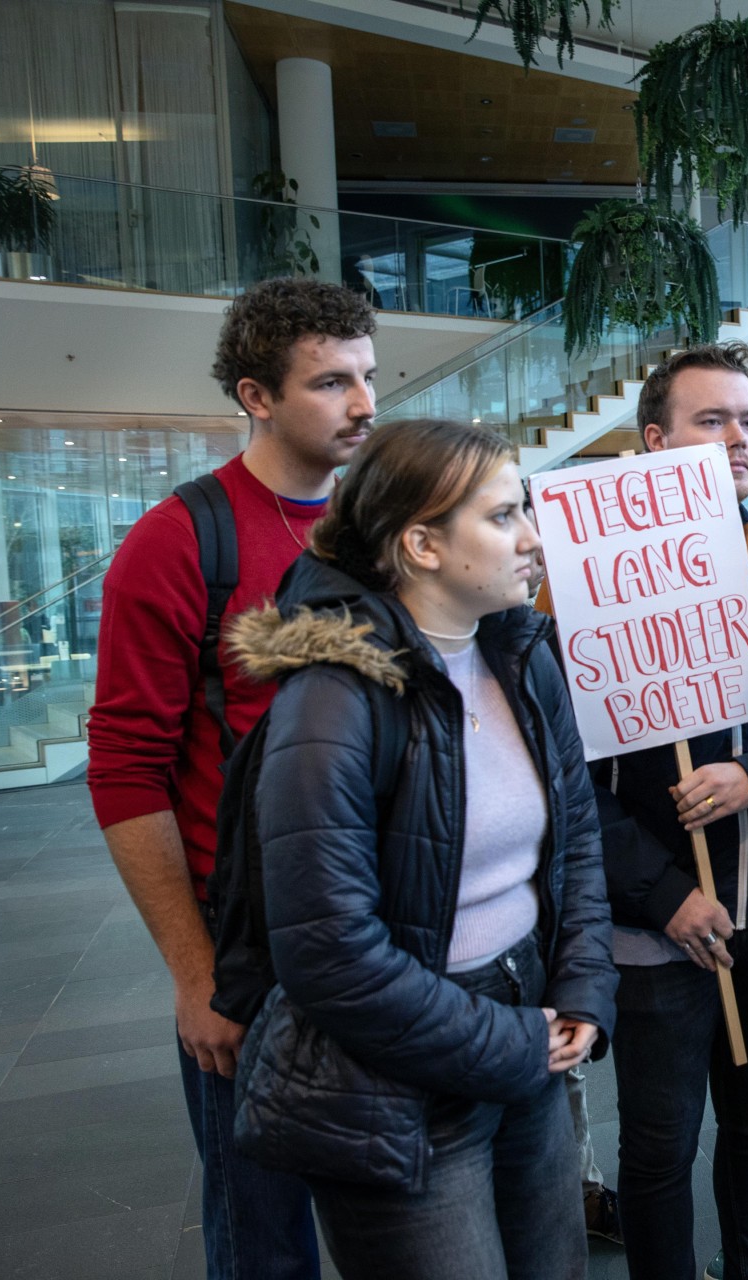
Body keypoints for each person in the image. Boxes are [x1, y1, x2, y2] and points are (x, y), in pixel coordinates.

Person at [229, 417, 617, 1279]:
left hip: (528, 1028)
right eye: (505, 515)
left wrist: (584, 989)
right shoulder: (333, 700)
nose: (533, 538)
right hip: (391, 1078)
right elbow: (327, 953)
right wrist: (513, 1039)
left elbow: (576, 839)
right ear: (422, 545)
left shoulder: (519, 655)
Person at [88, 276, 375, 1280]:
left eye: (368, 377)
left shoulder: (381, 537)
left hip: (383, 931)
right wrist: (195, 971)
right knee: (264, 1229)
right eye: (331, 382)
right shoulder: (178, 541)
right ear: (256, 394)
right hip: (250, 949)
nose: (364, 403)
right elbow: (126, 772)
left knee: (408, 1209)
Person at [561, 344, 748, 1280]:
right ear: (654, 441)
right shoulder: (577, 591)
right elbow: (564, 784)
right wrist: (660, 894)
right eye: (710, 419)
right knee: (657, 1146)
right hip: (658, 929)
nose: (736, 438)